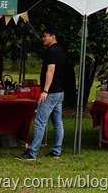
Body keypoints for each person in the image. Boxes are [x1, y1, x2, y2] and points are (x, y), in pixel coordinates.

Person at [17, 27, 65, 160]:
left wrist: (45, 90)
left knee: (40, 121)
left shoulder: (51, 51)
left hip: (51, 92)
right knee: (57, 122)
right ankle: (56, 150)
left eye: (45, 36)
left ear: (53, 36)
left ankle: (32, 152)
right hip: (60, 91)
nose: (43, 38)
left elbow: (51, 70)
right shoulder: (60, 50)